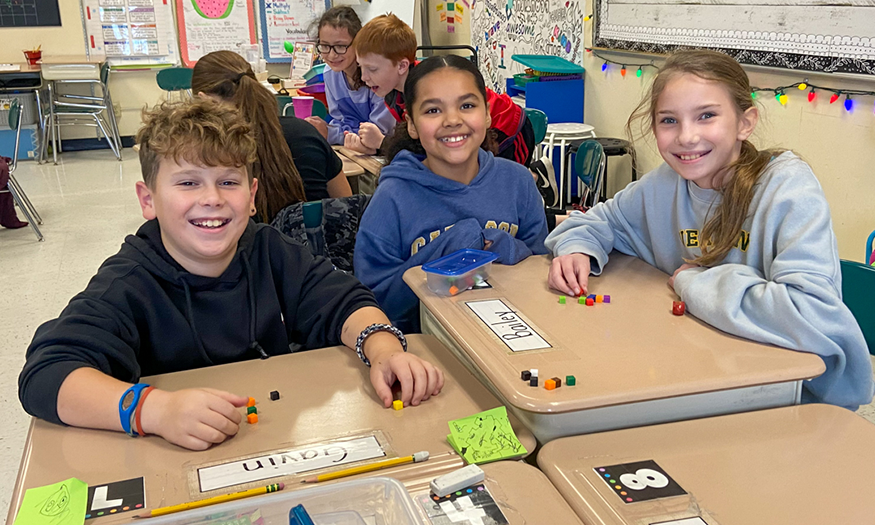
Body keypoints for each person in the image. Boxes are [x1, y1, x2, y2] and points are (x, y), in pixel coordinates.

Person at [18, 99, 444, 450]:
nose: (212, 199)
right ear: (148, 200)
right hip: (172, 459)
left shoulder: (268, 250)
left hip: (269, 445)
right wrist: (155, 411)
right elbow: (48, 374)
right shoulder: (129, 281)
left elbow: (345, 301)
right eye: (188, 183)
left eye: (228, 182)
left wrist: (384, 349)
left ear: (253, 195)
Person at [545, 49, 873, 410]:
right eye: (669, 120)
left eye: (706, 116)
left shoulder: (787, 190)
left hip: (792, 399)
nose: (687, 136)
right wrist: (576, 247)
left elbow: (812, 313)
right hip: (698, 377)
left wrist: (695, 282)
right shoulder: (664, 185)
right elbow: (595, 221)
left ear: (745, 123)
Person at [354, 56, 549, 332]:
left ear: (488, 113)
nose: (453, 120)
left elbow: (539, 271)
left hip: (512, 335)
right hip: (425, 350)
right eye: (433, 110)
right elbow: (372, 301)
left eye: (467, 106)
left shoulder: (518, 181)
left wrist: (501, 246)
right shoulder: (392, 197)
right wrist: (449, 251)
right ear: (411, 124)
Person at [349, 14, 535, 168]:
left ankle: (537, 177)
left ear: (402, 66)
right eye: (361, 67)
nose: (364, 77)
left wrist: (382, 143)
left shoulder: (430, 84)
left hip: (507, 129)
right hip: (476, 134)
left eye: (372, 69)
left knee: (501, 188)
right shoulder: (394, 95)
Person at [192, 50, 350, 220]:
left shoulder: (214, 152)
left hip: (247, 246)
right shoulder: (304, 132)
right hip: (317, 243)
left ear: (205, 100)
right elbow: (347, 205)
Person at [304, 6, 395, 147]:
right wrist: (328, 131)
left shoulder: (376, 74)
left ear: (358, 42)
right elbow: (340, 121)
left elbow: (380, 132)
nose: (332, 55)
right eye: (325, 46)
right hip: (354, 148)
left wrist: (331, 133)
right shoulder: (330, 74)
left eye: (340, 46)